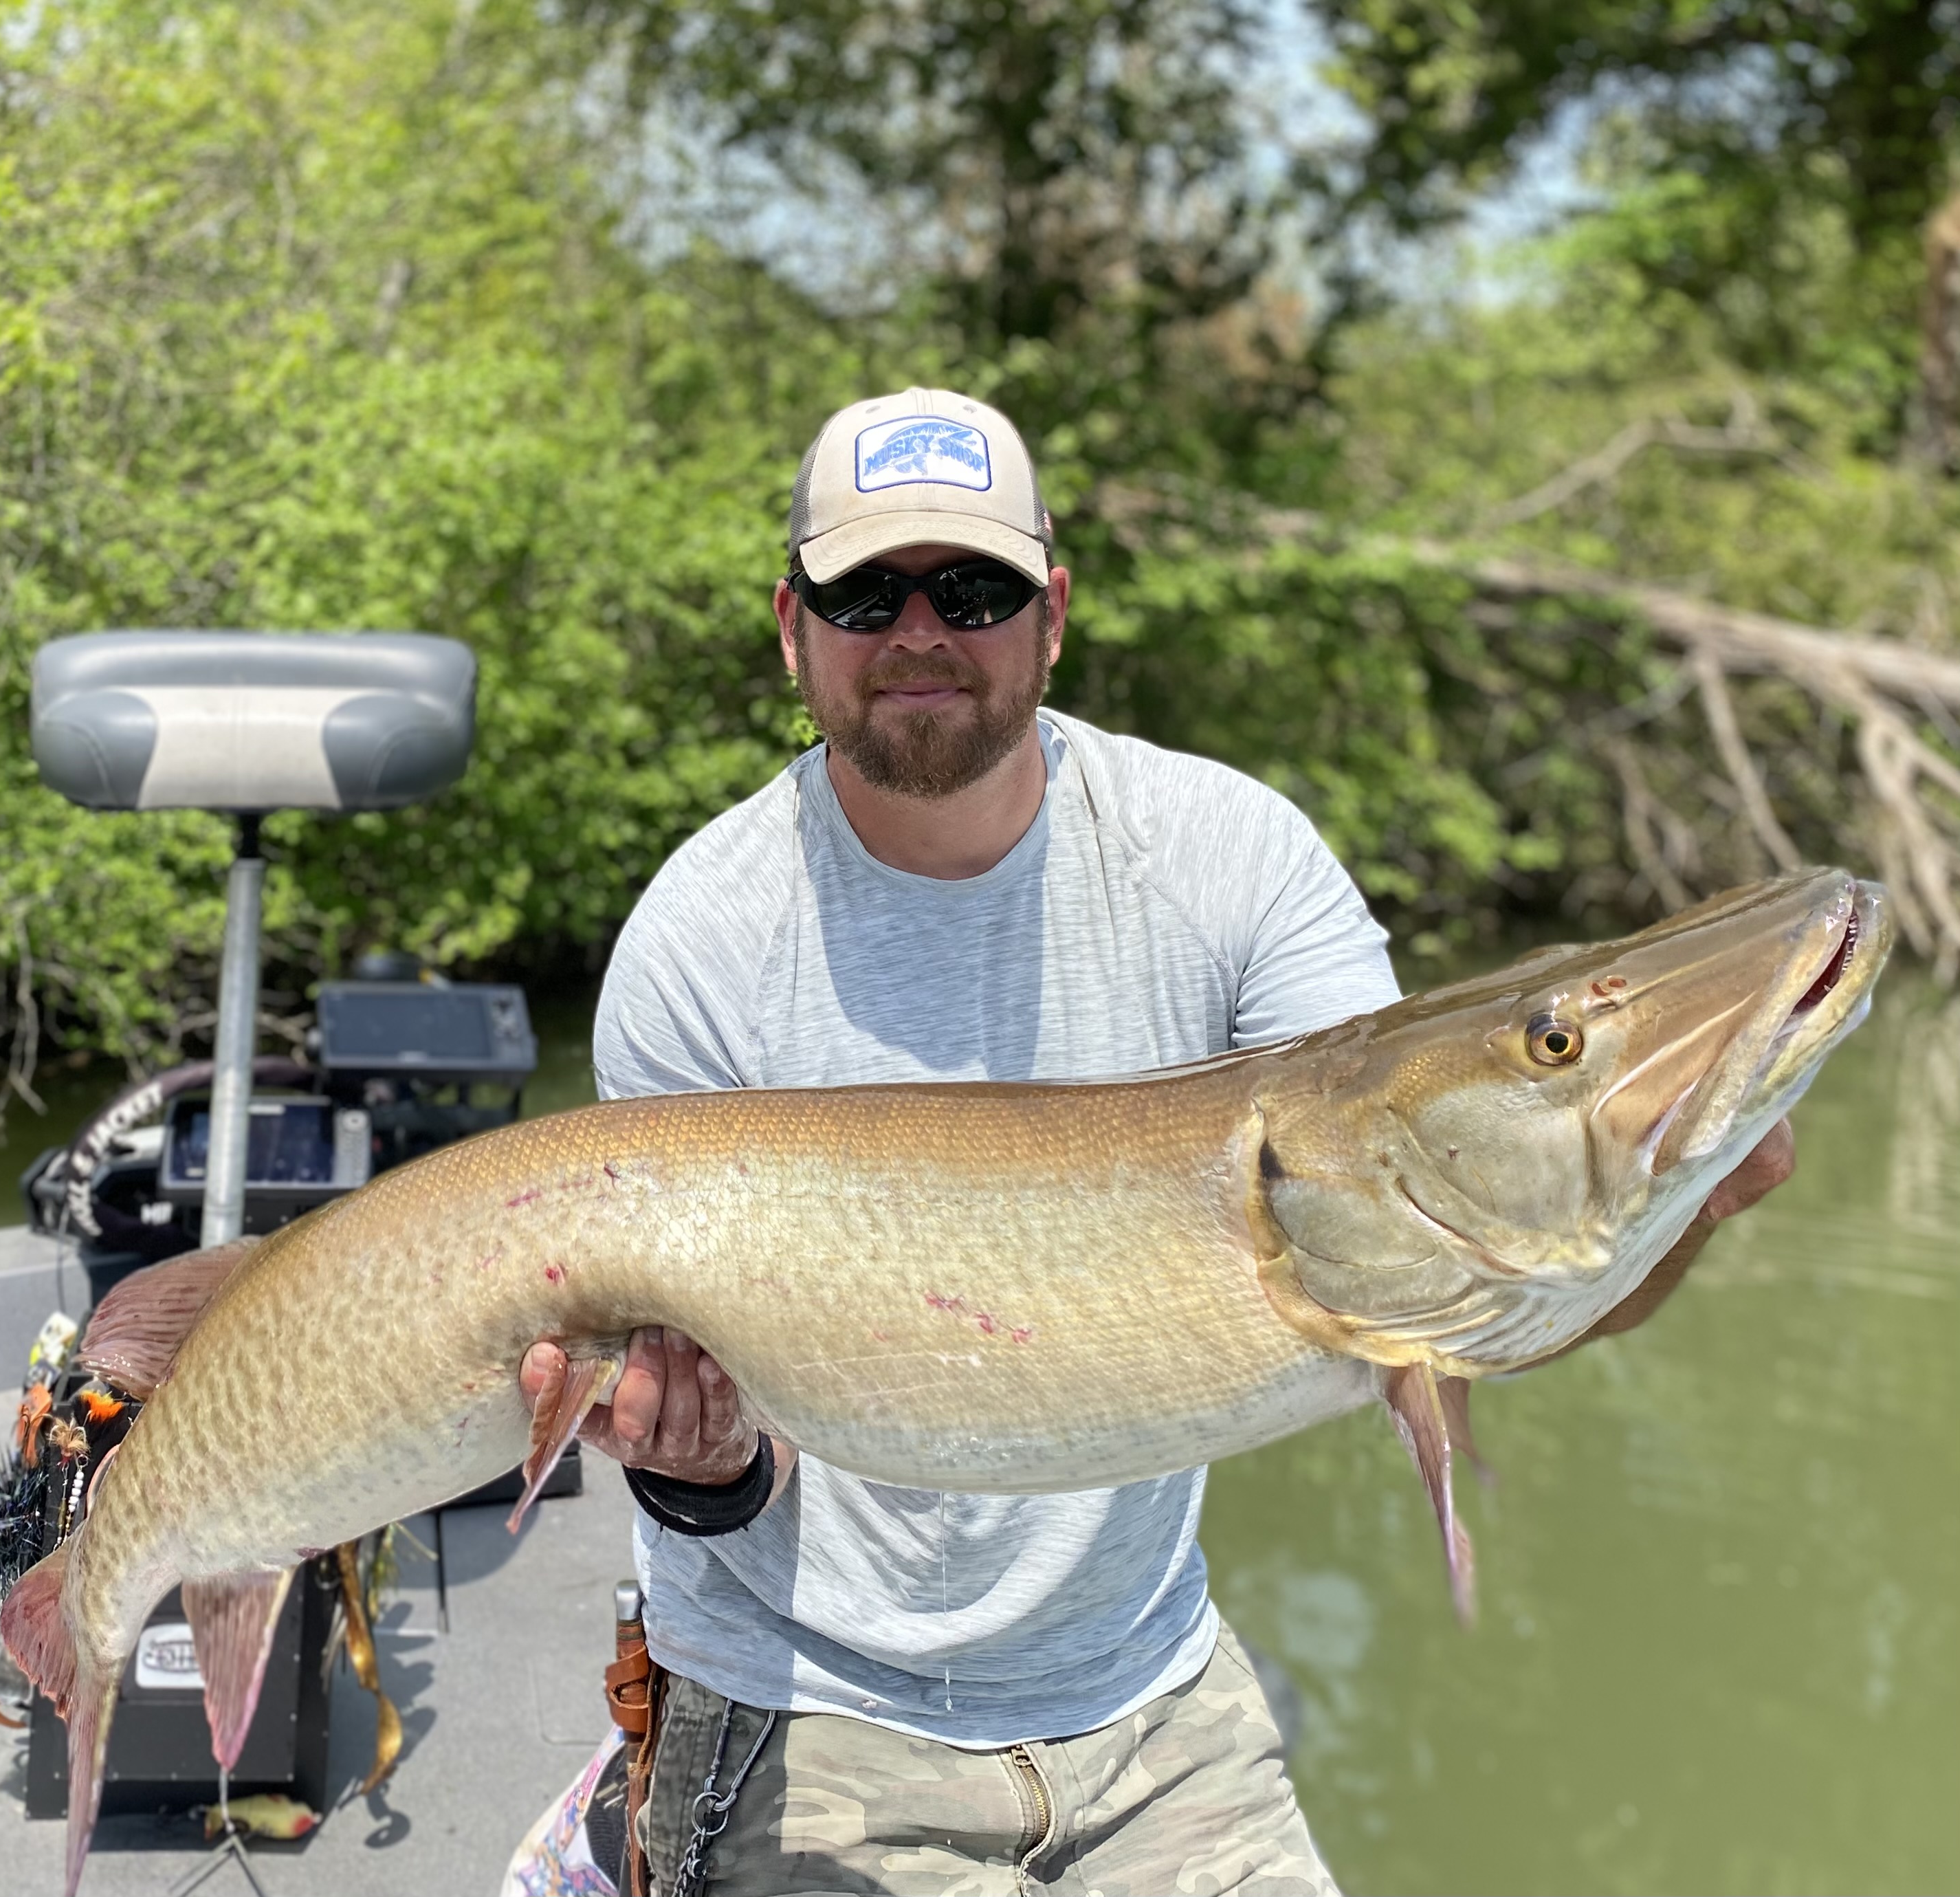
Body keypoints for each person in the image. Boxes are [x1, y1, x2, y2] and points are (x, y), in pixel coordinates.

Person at [503, 387, 1793, 1897]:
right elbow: (718, 1474)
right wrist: (695, 1459)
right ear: (793, 628)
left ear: (1051, 616)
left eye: (971, 589)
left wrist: (1681, 1200)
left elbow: (1448, 1266)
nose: (919, 630)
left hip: (1154, 1703)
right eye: (866, 593)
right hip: (812, 1709)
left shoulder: (1231, 857)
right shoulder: (698, 941)